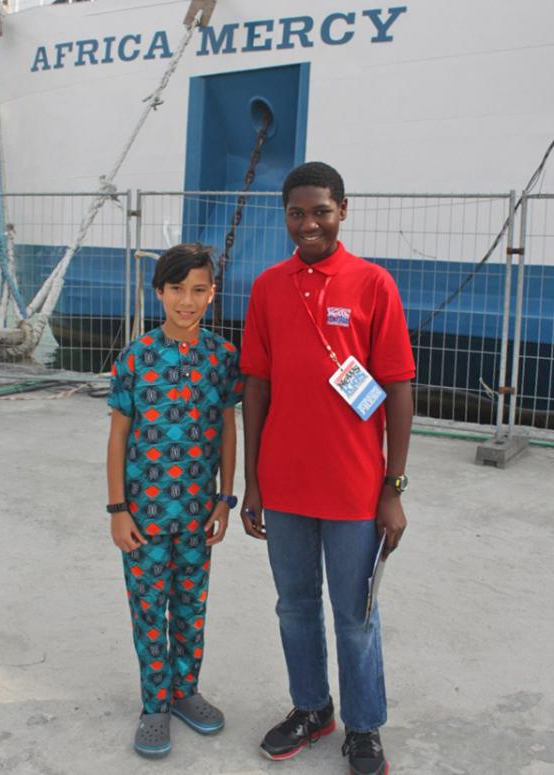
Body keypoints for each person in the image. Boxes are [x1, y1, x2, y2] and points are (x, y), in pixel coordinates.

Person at [239, 162, 415, 775]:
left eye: (320, 210)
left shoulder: (373, 284)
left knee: (356, 613)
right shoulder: (266, 287)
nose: (308, 223)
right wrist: (253, 484)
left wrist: (392, 488)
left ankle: (363, 726)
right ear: (284, 216)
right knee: (294, 605)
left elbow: (395, 388)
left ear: (344, 209)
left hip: (354, 488)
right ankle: (313, 708)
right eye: (296, 212)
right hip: (284, 485)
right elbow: (255, 386)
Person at [106, 243, 242, 758]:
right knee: (148, 608)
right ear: (159, 291)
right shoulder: (135, 357)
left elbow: (228, 429)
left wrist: (225, 498)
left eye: (199, 290)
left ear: (212, 294)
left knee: (191, 606)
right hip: (142, 515)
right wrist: (118, 509)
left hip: (197, 515)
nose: (188, 300)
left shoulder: (222, 357)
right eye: (178, 289)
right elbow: (119, 437)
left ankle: (185, 692)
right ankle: (154, 705)